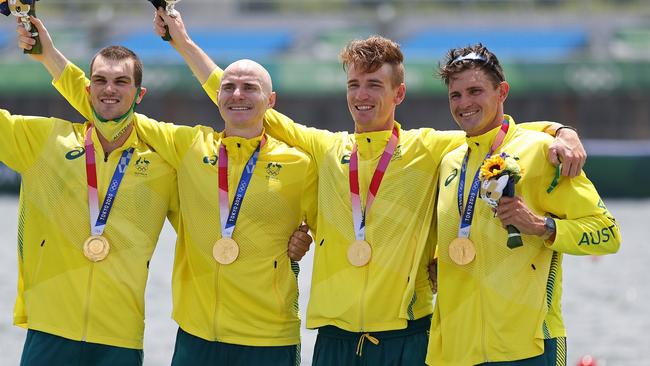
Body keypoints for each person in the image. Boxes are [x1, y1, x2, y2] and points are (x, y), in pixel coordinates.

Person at [149, 9, 585, 366]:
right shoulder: (325, 147)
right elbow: (242, 104)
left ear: (398, 94)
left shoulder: (430, 148)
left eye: (375, 85)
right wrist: (184, 43)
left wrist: (559, 130)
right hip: (335, 338)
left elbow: (493, 130)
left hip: (408, 336)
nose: (362, 95)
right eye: (354, 84)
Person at [19, 14, 317, 366]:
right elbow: (109, 106)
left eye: (250, 88)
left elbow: (330, 227)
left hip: (269, 336)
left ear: (271, 100)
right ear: (216, 95)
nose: (238, 96)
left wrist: (304, 238)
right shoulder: (189, 147)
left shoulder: (301, 164)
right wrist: (49, 55)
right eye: (228, 87)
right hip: (196, 335)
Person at [426, 44, 620, 366]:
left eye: (475, 91)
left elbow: (608, 233)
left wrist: (543, 226)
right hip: (456, 350)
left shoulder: (544, 151)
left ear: (502, 91)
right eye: (455, 95)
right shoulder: (450, 161)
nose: (464, 104)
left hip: (527, 347)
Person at [5, 23, 179, 366]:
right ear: (87, 90)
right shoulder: (43, 141)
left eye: (121, 82)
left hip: (120, 338)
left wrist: (291, 237)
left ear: (139, 95)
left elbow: (219, 209)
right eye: (99, 80)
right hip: (50, 330)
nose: (109, 89)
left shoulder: (164, 164)